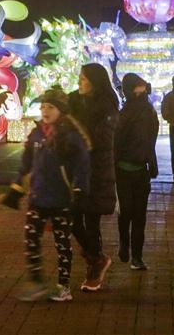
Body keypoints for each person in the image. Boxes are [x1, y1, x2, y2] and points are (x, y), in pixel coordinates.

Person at [15, 88, 91, 302]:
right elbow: (26, 161)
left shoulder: (71, 136)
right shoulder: (37, 132)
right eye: (42, 107)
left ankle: (64, 286)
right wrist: (17, 184)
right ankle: (36, 281)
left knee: (62, 242)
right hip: (38, 196)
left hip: (62, 198)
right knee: (31, 238)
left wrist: (79, 190)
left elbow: (82, 166)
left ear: (61, 110)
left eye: (50, 107)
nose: (45, 111)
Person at [68, 63, 119, 292]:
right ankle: (96, 258)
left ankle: (94, 266)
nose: (80, 81)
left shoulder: (107, 106)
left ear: (95, 82)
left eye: (84, 78)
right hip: (76, 170)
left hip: (97, 171)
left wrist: (78, 135)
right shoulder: (76, 102)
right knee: (72, 217)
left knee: (91, 220)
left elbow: (101, 139)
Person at [114, 73, 160, 270]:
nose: (142, 91)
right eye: (138, 88)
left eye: (143, 88)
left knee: (139, 214)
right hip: (124, 170)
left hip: (140, 169)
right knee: (127, 212)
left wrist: (151, 160)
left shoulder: (147, 112)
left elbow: (151, 139)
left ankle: (136, 256)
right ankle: (126, 245)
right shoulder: (125, 114)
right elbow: (117, 142)